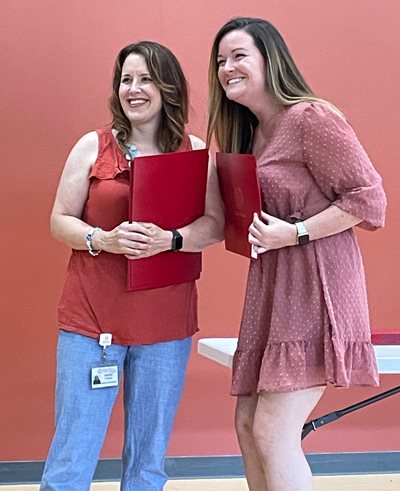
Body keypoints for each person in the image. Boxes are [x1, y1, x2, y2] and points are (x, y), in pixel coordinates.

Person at [207, 17, 387, 491]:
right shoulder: (250, 134)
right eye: (221, 61)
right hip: (274, 288)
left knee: (272, 430)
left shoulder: (311, 118)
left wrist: (298, 232)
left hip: (316, 284)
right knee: (248, 427)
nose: (227, 68)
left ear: (271, 59)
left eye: (239, 56)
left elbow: (368, 199)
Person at [41, 40, 224, 491]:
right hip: (92, 323)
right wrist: (102, 239)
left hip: (165, 327)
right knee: (72, 454)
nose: (134, 89)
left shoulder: (193, 151)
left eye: (145, 79)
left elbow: (215, 224)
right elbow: (59, 220)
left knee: (148, 460)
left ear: (168, 88)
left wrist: (172, 239)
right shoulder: (92, 146)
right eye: (126, 79)